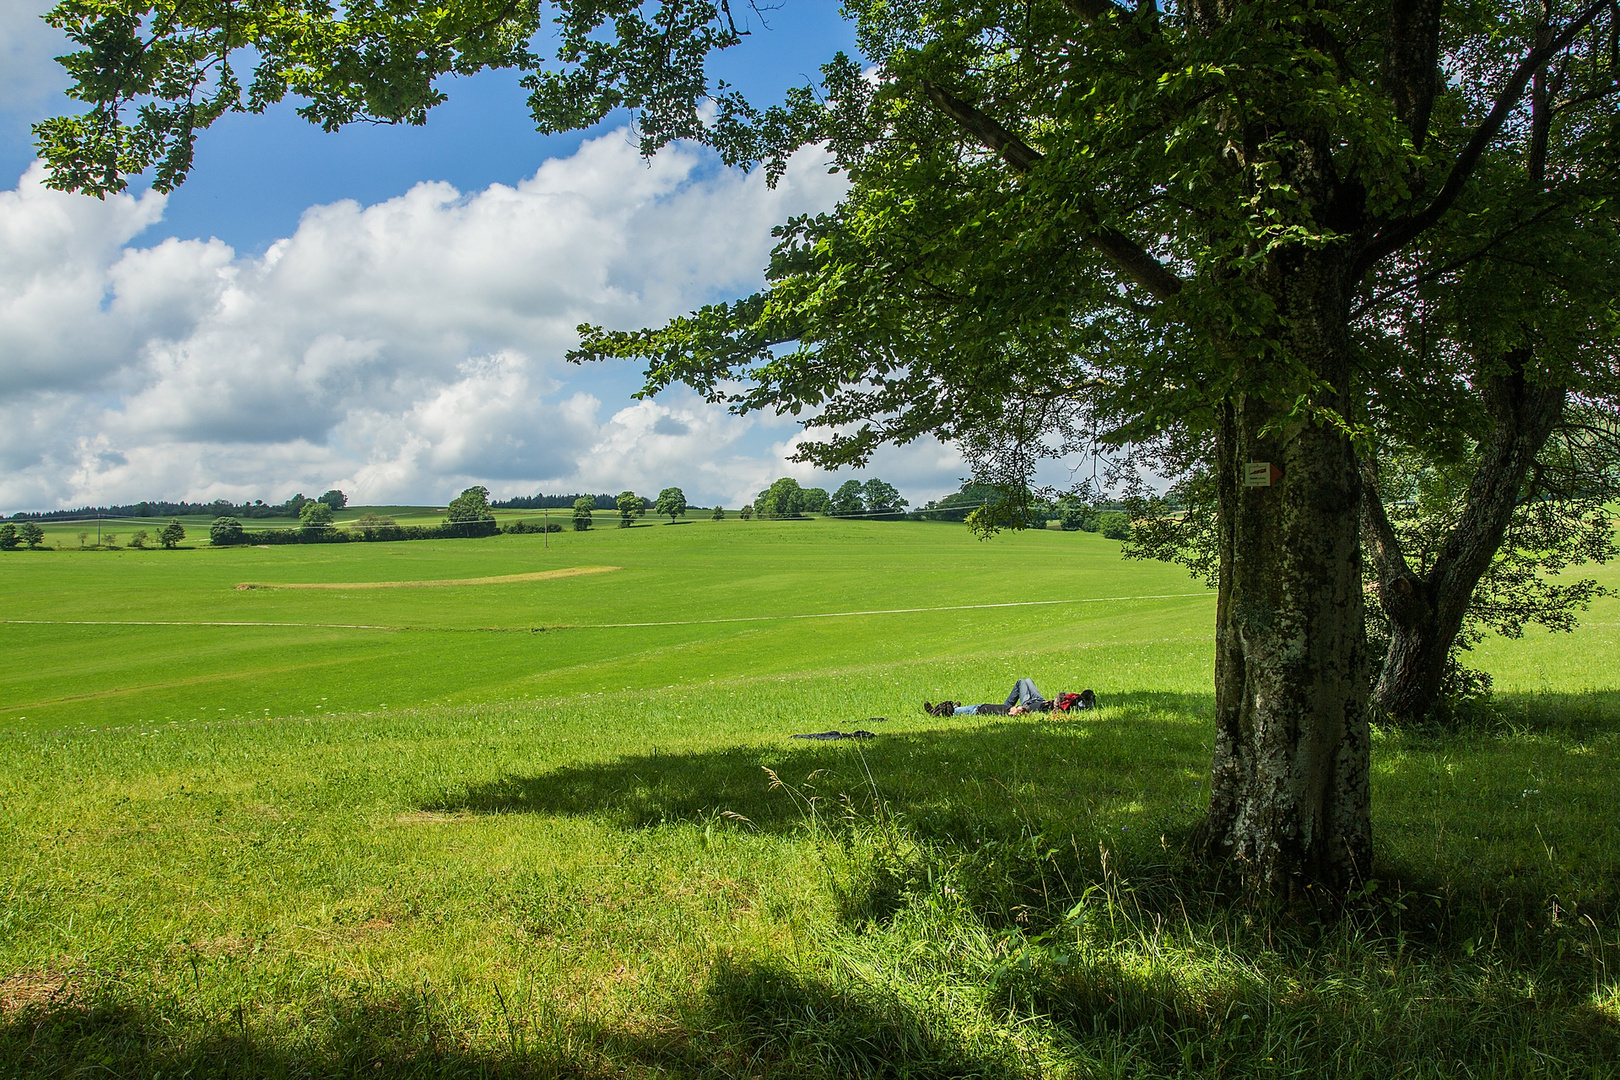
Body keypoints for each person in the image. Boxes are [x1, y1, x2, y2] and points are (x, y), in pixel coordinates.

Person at [924, 683, 1095, 717]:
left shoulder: (1031, 712)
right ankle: (1007, 707)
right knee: (1024, 681)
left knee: (974, 709)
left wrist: (1014, 710)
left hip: (1029, 705)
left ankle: (946, 711)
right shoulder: (1060, 705)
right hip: (1038, 700)